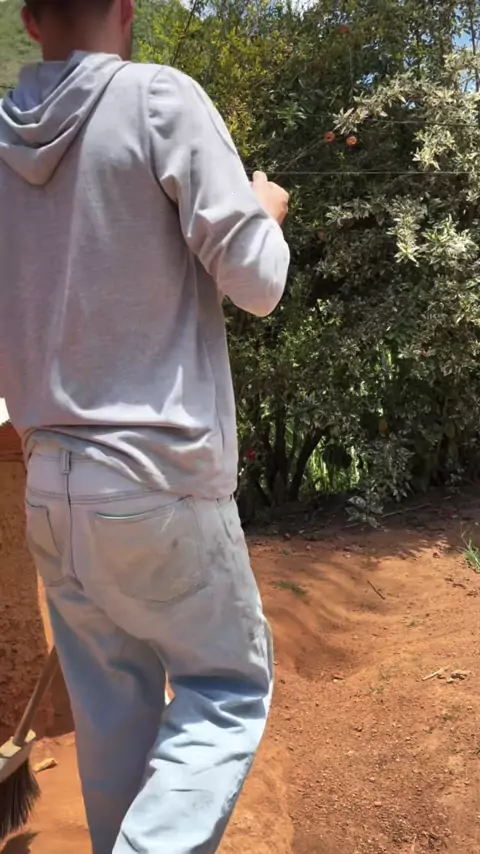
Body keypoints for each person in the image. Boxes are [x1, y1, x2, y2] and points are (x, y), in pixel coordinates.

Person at [0, 1, 290, 852]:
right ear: (127, 9)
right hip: (157, 483)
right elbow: (259, 282)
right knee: (227, 689)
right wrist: (262, 208)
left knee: (113, 721)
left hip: (50, 488)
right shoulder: (160, 100)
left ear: (31, 20)